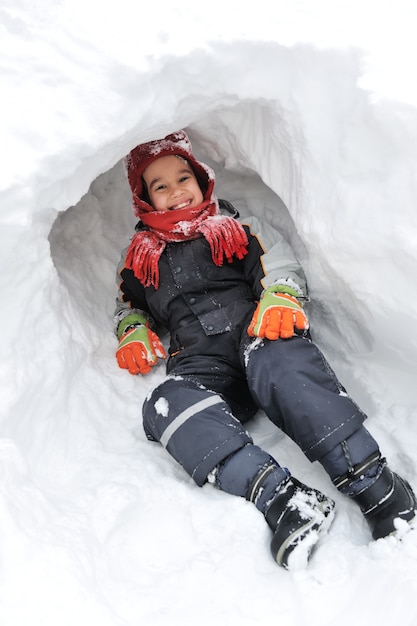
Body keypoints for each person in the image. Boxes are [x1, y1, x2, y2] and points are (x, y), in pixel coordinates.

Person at [113, 130, 416, 570]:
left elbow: (277, 261)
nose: (177, 190)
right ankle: (282, 497)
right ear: (145, 201)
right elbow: (125, 306)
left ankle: (376, 484)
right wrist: (133, 330)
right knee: (165, 404)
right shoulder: (140, 260)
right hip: (202, 362)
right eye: (160, 186)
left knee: (281, 360)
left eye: (184, 177)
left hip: (256, 333)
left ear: (202, 180)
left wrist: (279, 294)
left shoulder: (233, 226)